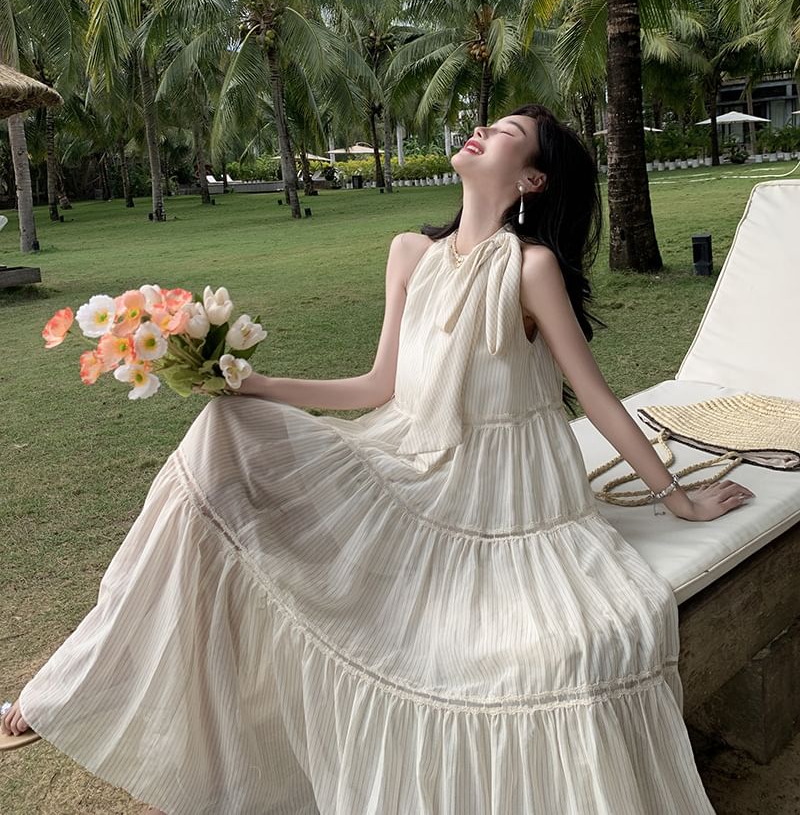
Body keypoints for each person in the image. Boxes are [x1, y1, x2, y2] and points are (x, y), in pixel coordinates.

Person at [1, 102, 756, 813]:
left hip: (505, 491)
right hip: (407, 452)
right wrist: (248, 383)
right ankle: (84, 680)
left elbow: (594, 395)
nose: (481, 131)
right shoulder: (408, 253)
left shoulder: (530, 269)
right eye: (488, 123)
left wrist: (677, 497)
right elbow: (376, 386)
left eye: (506, 134)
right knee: (222, 438)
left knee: (553, 649)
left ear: (531, 180)